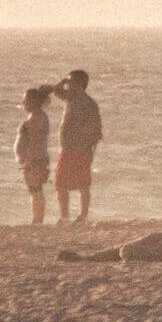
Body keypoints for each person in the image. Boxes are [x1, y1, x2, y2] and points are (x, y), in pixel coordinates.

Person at [52, 70, 103, 223]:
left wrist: (90, 146)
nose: (68, 84)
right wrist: (64, 80)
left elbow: (96, 127)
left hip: (82, 148)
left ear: (79, 84)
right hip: (67, 147)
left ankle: (83, 216)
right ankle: (64, 216)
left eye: (71, 81)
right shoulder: (70, 98)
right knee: (60, 184)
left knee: (83, 184)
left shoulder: (89, 104)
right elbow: (56, 91)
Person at [14, 86, 53, 223]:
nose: (24, 103)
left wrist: (29, 160)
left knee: (35, 189)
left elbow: (35, 141)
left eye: (26, 101)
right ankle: (37, 218)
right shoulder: (36, 116)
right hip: (34, 158)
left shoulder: (37, 117)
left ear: (34, 101)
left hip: (35, 159)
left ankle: (37, 219)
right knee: (34, 189)